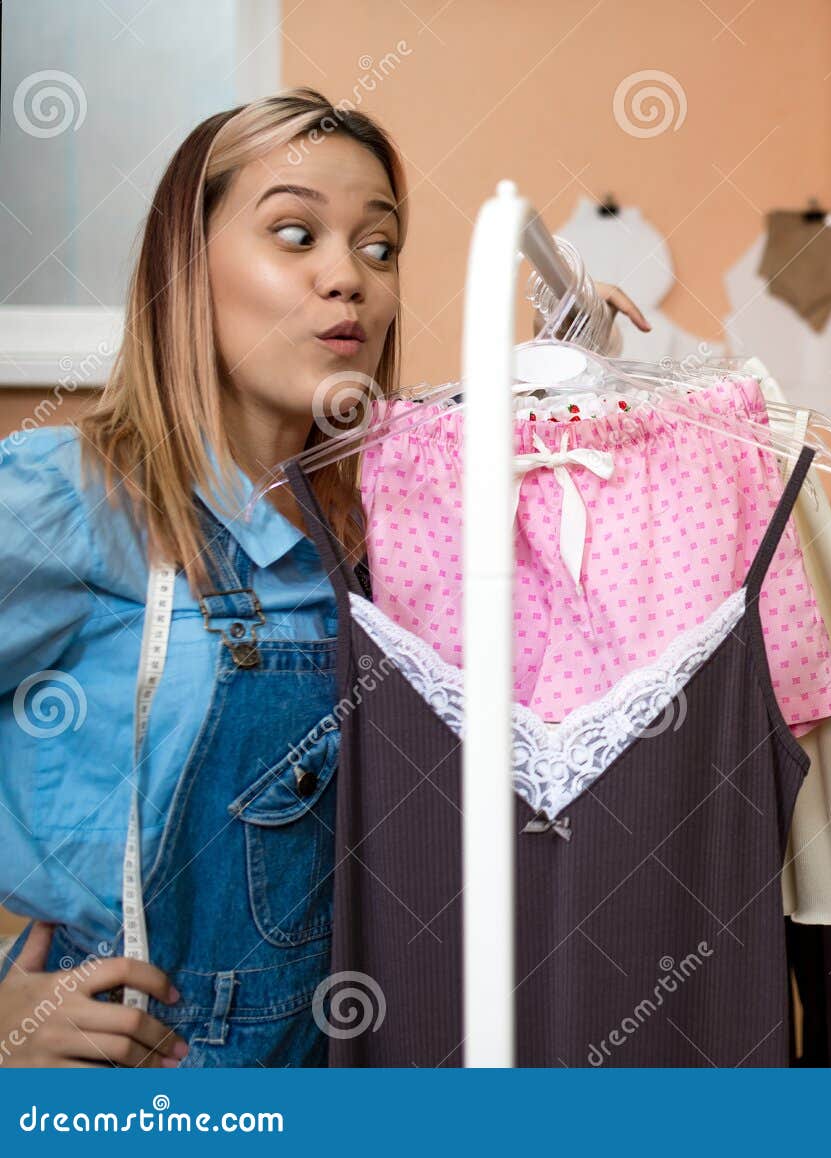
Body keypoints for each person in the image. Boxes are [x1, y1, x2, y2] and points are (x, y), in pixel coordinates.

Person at [0, 86, 644, 1067]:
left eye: (379, 248)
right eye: (295, 234)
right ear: (186, 268)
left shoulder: (388, 523)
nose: (349, 278)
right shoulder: (69, 500)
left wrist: (564, 375)